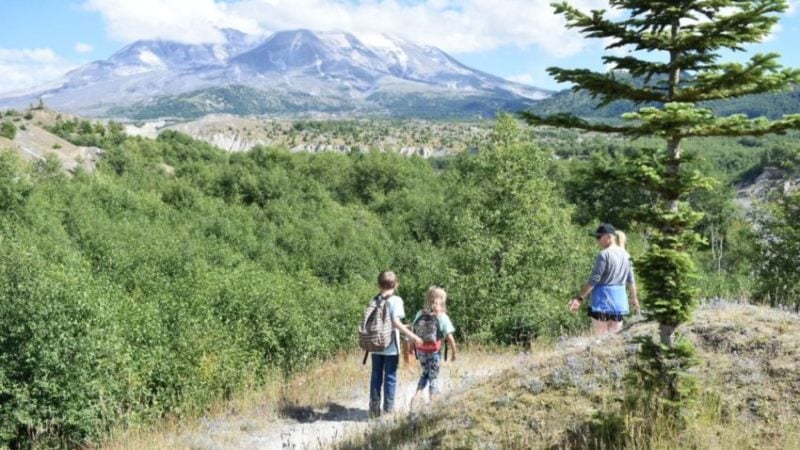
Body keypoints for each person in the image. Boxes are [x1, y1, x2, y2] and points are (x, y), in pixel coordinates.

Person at [569, 224, 639, 336]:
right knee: (614, 340)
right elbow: (631, 280)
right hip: (619, 302)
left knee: (600, 339)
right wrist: (634, 298)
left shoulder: (604, 255)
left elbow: (594, 279)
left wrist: (579, 298)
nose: (597, 241)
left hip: (602, 301)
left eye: (599, 237)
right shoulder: (626, 255)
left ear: (608, 237)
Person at [368, 271, 421, 418]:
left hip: (375, 346)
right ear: (396, 284)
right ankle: (388, 411)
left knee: (375, 377)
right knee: (390, 377)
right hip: (391, 347)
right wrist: (412, 335)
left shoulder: (374, 299)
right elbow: (395, 323)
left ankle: (373, 411)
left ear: (378, 285)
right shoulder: (396, 300)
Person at [409, 286, 457, 410]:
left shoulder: (420, 313)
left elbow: (413, 331)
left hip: (421, 351)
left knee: (425, 373)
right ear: (442, 301)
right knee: (434, 376)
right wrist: (454, 353)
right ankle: (433, 401)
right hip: (434, 352)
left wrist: (410, 347)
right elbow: (450, 336)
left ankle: (417, 395)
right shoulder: (442, 317)